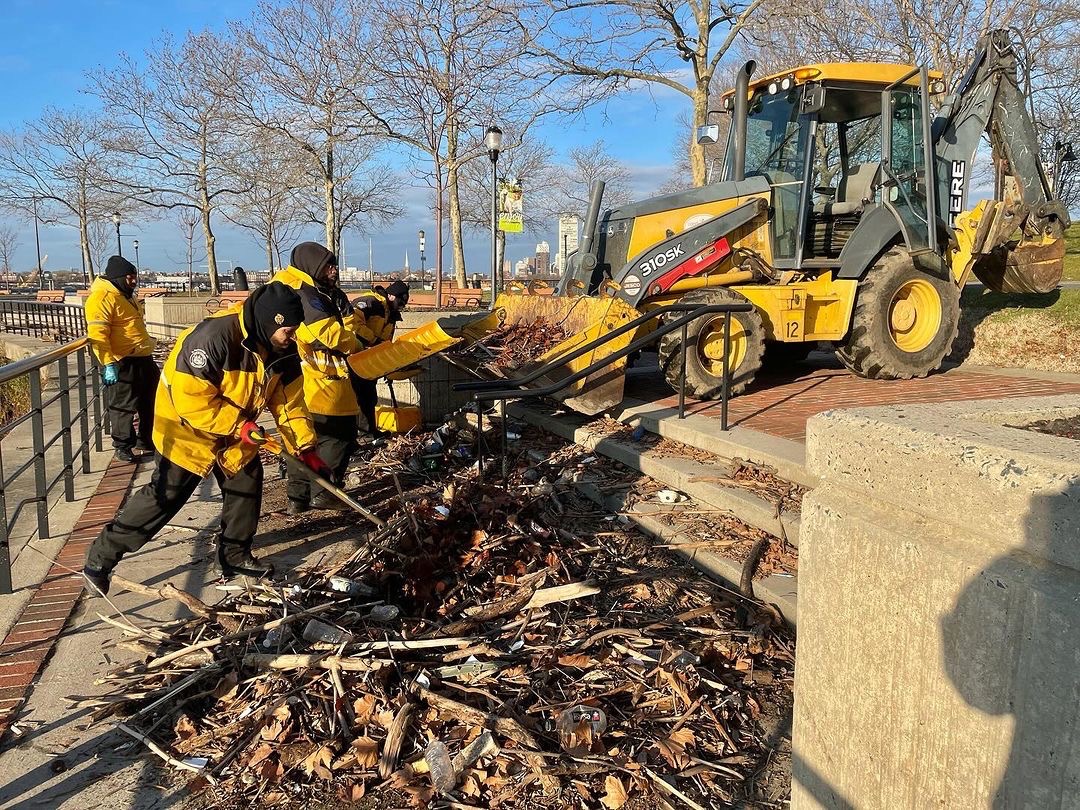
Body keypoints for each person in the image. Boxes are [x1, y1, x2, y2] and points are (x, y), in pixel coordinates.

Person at [82, 283, 331, 595]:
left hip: (237, 430)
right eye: (290, 331)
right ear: (272, 322)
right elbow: (192, 403)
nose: (294, 338)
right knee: (164, 497)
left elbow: (290, 405)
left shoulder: (284, 352)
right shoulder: (212, 340)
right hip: (186, 430)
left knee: (246, 484)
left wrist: (306, 449)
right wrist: (239, 424)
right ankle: (101, 558)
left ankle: (234, 556)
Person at [272, 242, 363, 515]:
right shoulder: (306, 292)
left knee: (302, 439)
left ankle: (297, 497)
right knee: (339, 436)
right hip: (322, 379)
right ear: (313, 264)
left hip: (294, 379)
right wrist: (356, 343)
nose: (333, 270)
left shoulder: (284, 284)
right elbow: (326, 334)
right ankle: (323, 492)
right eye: (328, 265)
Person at [84, 256, 159, 464]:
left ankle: (146, 440)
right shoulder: (101, 298)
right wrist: (108, 363)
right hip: (122, 361)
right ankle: (123, 446)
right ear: (118, 278)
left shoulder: (126, 295)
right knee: (123, 406)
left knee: (151, 401)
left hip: (143, 357)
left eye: (135, 277)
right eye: (130, 277)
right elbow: (98, 335)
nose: (134, 281)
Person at [350, 280, 410, 437]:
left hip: (371, 360)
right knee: (358, 396)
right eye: (399, 301)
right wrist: (373, 340)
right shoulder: (371, 303)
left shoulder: (391, 313)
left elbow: (387, 340)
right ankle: (361, 434)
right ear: (390, 295)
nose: (401, 305)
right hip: (355, 356)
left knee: (369, 396)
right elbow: (351, 323)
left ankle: (369, 431)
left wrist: (387, 362)